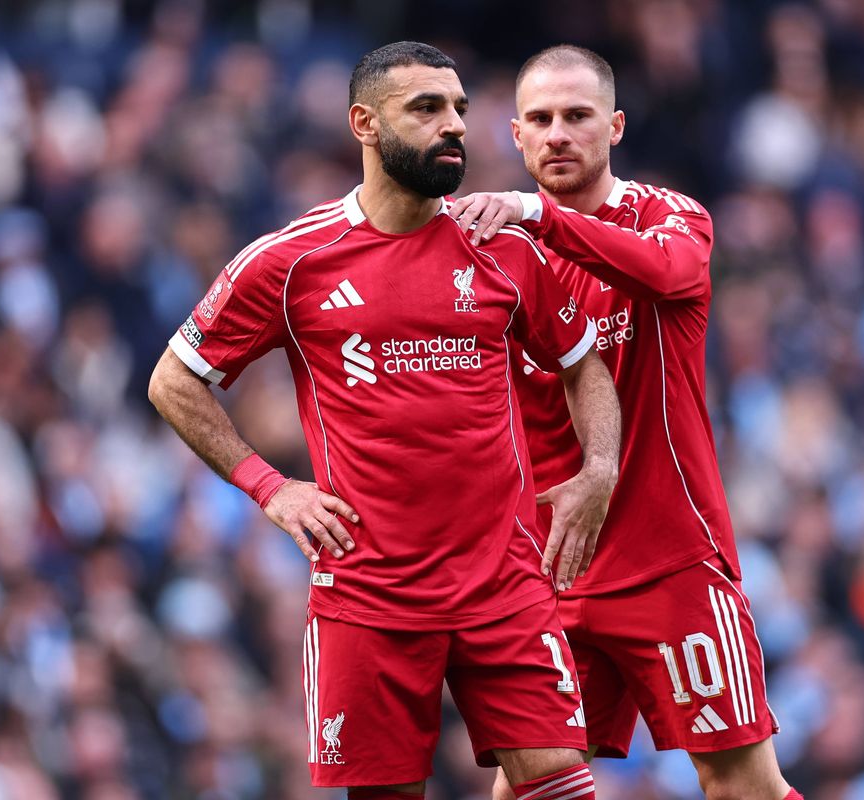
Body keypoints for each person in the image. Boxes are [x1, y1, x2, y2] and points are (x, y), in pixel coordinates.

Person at [148, 42, 621, 800]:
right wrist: (273, 489)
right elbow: (174, 382)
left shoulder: (502, 246)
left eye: (461, 109)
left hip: (503, 581)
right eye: (427, 108)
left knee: (563, 787)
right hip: (370, 594)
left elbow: (582, 363)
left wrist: (598, 470)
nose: (455, 126)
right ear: (364, 124)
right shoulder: (293, 261)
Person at [450, 45, 802, 800]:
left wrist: (540, 215)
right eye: (539, 120)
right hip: (554, 571)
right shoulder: (492, 257)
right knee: (529, 787)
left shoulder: (670, 218)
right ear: (514, 136)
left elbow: (671, 273)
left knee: (744, 786)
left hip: (670, 560)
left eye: (577, 116)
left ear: (614, 126)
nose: (558, 134)